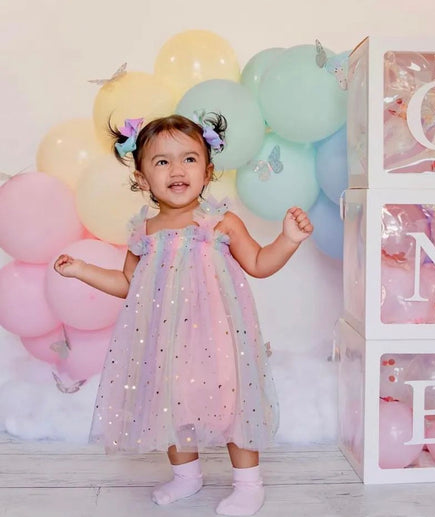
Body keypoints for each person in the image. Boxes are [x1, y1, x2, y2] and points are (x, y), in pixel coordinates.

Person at [54, 113, 313, 516]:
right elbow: (129, 284)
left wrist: (288, 239)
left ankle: (248, 483)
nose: (177, 169)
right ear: (141, 178)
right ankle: (186, 476)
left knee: (232, 402)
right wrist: (81, 270)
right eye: (162, 162)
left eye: (189, 159)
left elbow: (259, 263)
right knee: (171, 400)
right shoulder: (144, 231)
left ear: (208, 171)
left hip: (220, 336)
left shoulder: (220, 221)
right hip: (165, 337)